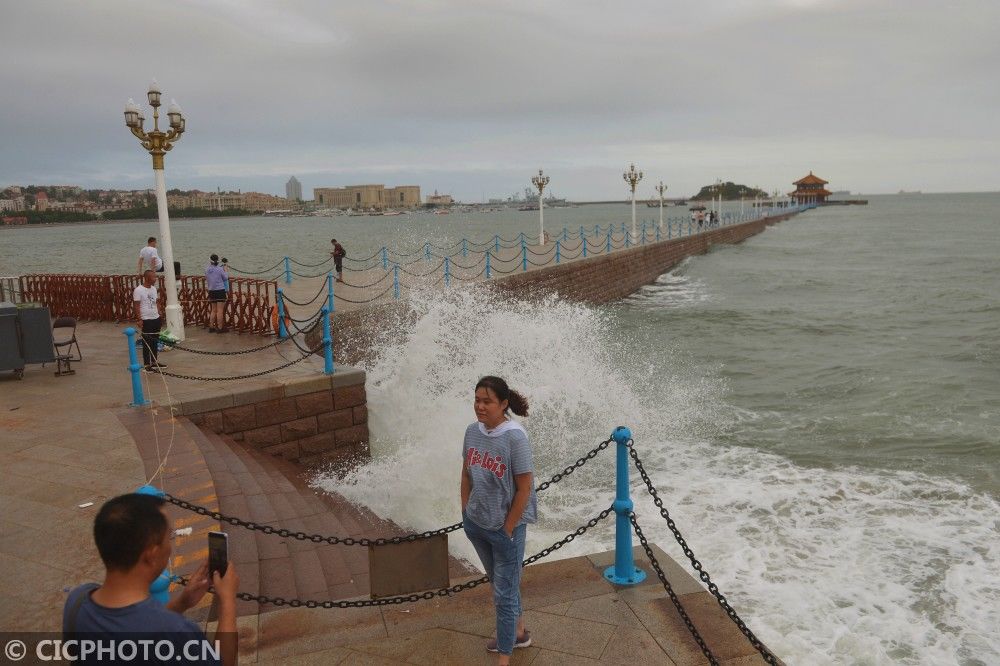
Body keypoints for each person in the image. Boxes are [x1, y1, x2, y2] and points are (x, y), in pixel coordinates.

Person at [63, 493, 240, 666]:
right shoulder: (176, 633)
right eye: (169, 537)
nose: (171, 545)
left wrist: (182, 603)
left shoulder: (77, 600)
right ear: (152, 554)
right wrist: (227, 601)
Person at [461, 376, 536, 664]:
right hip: (477, 523)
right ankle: (518, 632)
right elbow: (466, 474)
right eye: (477, 400)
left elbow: (525, 488)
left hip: (507, 529)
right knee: (500, 583)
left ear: (504, 404)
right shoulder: (472, 431)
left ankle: (504, 659)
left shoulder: (515, 437)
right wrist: (466, 512)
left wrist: (508, 528)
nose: (480, 406)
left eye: (487, 401)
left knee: (503, 595)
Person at [134, 269, 166, 372]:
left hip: (155, 318)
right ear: (147, 278)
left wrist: (160, 314)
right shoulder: (138, 290)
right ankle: (147, 364)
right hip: (146, 319)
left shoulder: (153, 289)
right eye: (153, 277)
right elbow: (137, 306)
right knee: (146, 342)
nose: (155, 279)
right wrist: (139, 319)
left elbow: (156, 302)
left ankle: (154, 361)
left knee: (155, 341)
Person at [205, 254, 228, 333]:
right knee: (220, 310)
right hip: (220, 290)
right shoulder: (220, 269)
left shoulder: (207, 269)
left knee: (213, 310)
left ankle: (211, 327)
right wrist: (225, 269)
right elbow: (225, 278)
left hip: (211, 290)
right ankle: (220, 328)